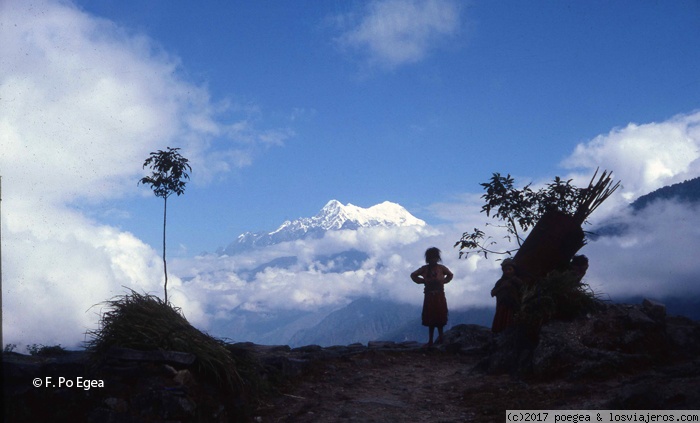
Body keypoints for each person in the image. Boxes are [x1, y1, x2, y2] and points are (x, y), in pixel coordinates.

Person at [411, 247, 454, 346]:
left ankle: (441, 338)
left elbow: (450, 275)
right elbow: (413, 275)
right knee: (431, 318)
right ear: (428, 259)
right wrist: (423, 281)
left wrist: (444, 281)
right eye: (431, 258)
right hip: (430, 295)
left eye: (434, 258)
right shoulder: (425, 269)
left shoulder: (441, 268)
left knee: (440, 317)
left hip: (439, 295)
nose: (433, 260)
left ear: (437, 258)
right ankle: (430, 340)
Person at [490, 258, 524, 333]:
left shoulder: (517, 281)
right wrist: (503, 287)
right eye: (505, 270)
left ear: (514, 270)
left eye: (510, 269)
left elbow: (523, 289)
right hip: (501, 307)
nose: (508, 271)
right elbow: (492, 293)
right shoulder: (500, 282)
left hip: (514, 307)